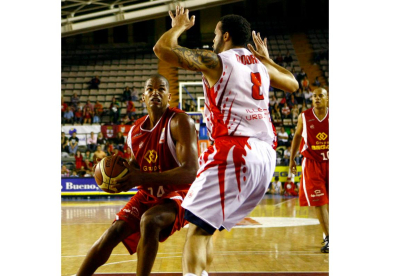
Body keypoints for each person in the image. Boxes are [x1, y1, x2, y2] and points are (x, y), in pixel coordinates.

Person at [153, 7, 298, 276]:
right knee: (207, 228)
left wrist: (180, 27)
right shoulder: (260, 66)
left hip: (235, 151)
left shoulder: (217, 60)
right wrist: (267, 59)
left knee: (195, 229)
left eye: (216, 34)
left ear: (227, 36)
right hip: (265, 156)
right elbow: (292, 84)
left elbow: (162, 49)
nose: (213, 40)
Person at [76, 74, 199, 276]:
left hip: (180, 194)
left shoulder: (180, 122)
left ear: (169, 96)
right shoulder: (134, 131)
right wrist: (118, 177)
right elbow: (137, 164)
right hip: (148, 193)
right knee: (113, 232)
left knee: (150, 221)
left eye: (161, 89)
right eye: (150, 89)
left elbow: (191, 172)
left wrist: (140, 178)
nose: (155, 92)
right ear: (143, 97)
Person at [289, 88, 329, 253]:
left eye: (321, 96)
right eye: (315, 96)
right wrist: (292, 158)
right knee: (319, 202)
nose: (317, 98)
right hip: (312, 163)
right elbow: (297, 136)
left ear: (328, 98)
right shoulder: (304, 117)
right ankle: (329, 237)